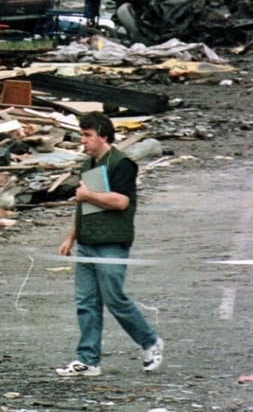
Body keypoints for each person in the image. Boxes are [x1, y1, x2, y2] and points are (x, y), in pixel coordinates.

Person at [56, 112, 163, 379]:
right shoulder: (89, 164)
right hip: (88, 242)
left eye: (88, 135)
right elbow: (85, 206)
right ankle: (88, 360)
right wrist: (71, 237)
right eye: (82, 135)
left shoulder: (122, 164)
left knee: (114, 298)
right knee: (86, 303)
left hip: (111, 243)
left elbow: (121, 202)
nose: (83, 141)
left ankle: (150, 341)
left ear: (103, 136)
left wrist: (88, 194)